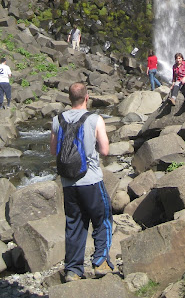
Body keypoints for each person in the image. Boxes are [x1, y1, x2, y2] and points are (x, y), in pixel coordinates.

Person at [50, 82, 114, 282]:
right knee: (102, 219)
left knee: (74, 225)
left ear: (69, 99)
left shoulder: (57, 120)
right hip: (91, 180)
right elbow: (104, 151)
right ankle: (100, 262)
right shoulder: (95, 119)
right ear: (87, 97)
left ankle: (73, 270)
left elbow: (54, 151)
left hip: (69, 184)